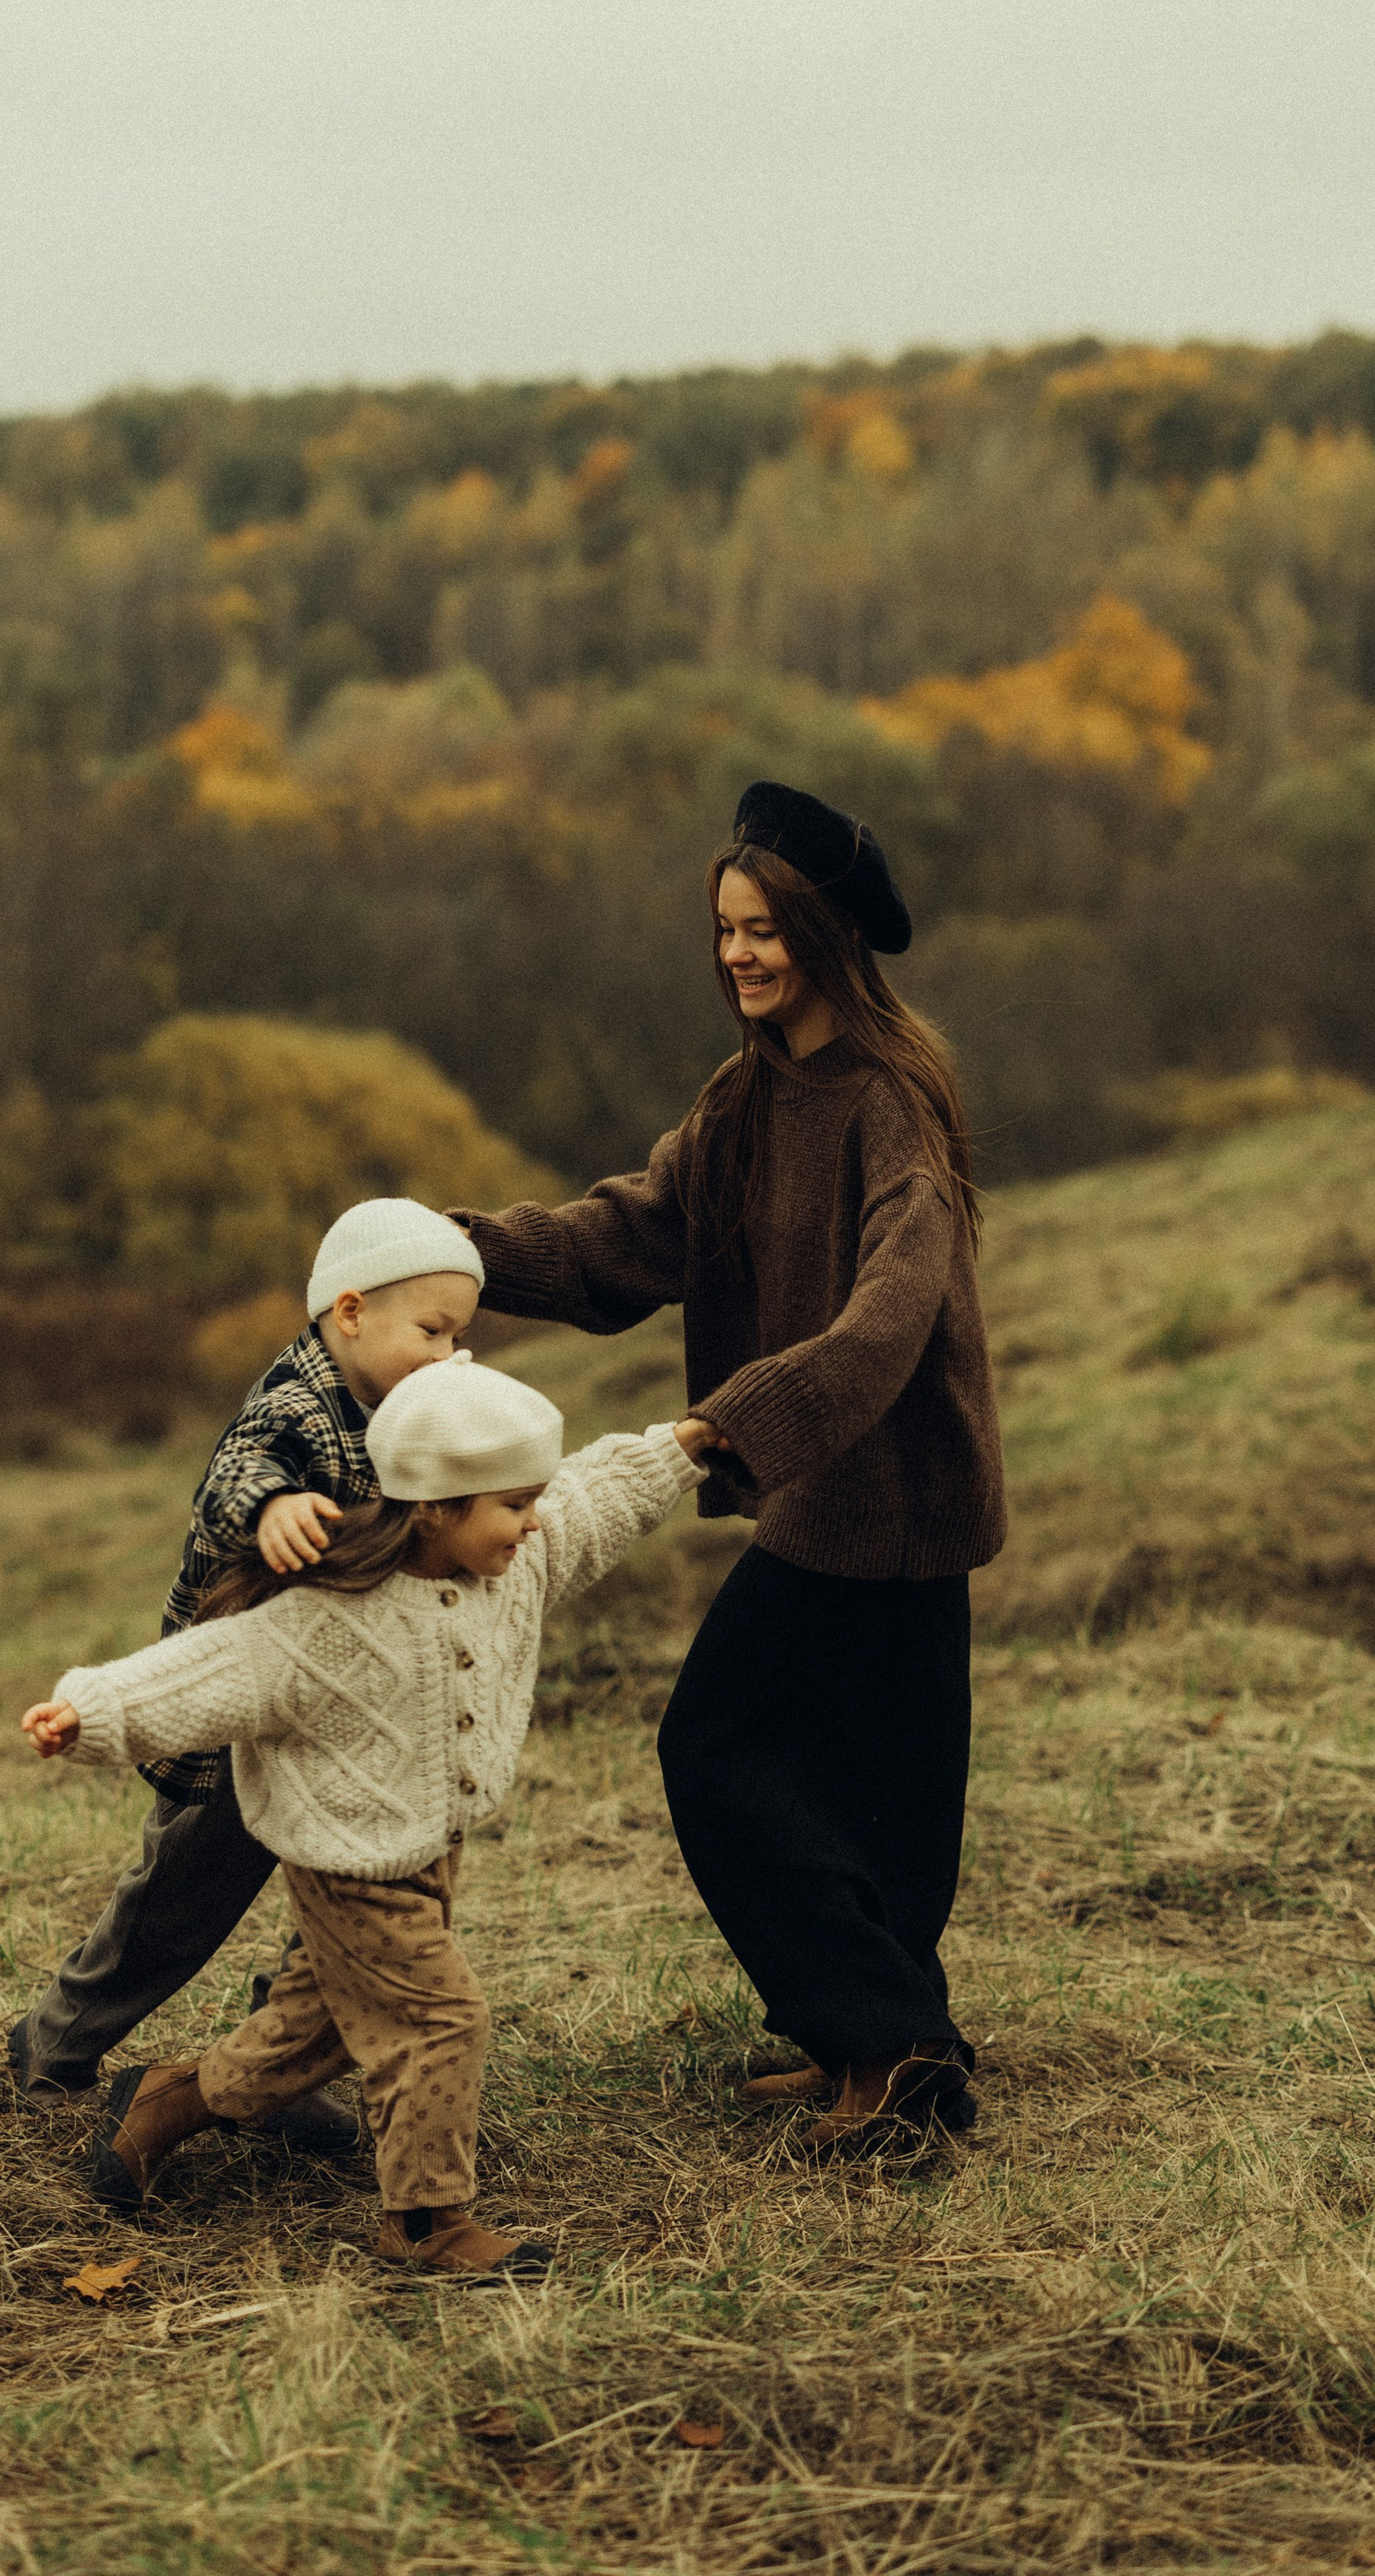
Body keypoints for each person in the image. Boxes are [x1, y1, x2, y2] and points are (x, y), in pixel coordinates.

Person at [452, 779, 1005, 2156]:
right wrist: (447, 1252)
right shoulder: (746, 1098)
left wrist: (729, 1423)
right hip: (822, 1494)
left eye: (763, 929)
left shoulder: (895, 1109)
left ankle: (891, 2048)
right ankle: (876, 2042)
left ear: (823, 933)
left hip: (898, 1499)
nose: (740, 955)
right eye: (725, 930)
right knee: (859, 1788)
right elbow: (619, 1241)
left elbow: (887, 1321)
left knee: (721, 1751)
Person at [18, 1359, 717, 2280]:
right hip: (347, 1861)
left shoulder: (516, 1564)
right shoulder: (326, 1622)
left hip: (428, 1846)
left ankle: (162, 2102)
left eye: (532, 1497)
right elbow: (208, 1670)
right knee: (438, 2021)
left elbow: (595, 1501)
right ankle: (426, 2225)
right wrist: (91, 1712)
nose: (535, 1519)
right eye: (513, 1502)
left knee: (324, 2029)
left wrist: (681, 1447)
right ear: (434, 1505)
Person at [5, 1197, 487, 2141]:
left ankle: (269, 2072)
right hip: (240, 1707)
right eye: (432, 1330)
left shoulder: (404, 1402)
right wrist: (272, 1511)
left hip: (341, 1705)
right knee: (187, 1893)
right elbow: (233, 1474)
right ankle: (55, 2039)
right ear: (350, 1313)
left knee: (345, 1896)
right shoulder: (295, 1404)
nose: (447, 1354)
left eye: (458, 1335)